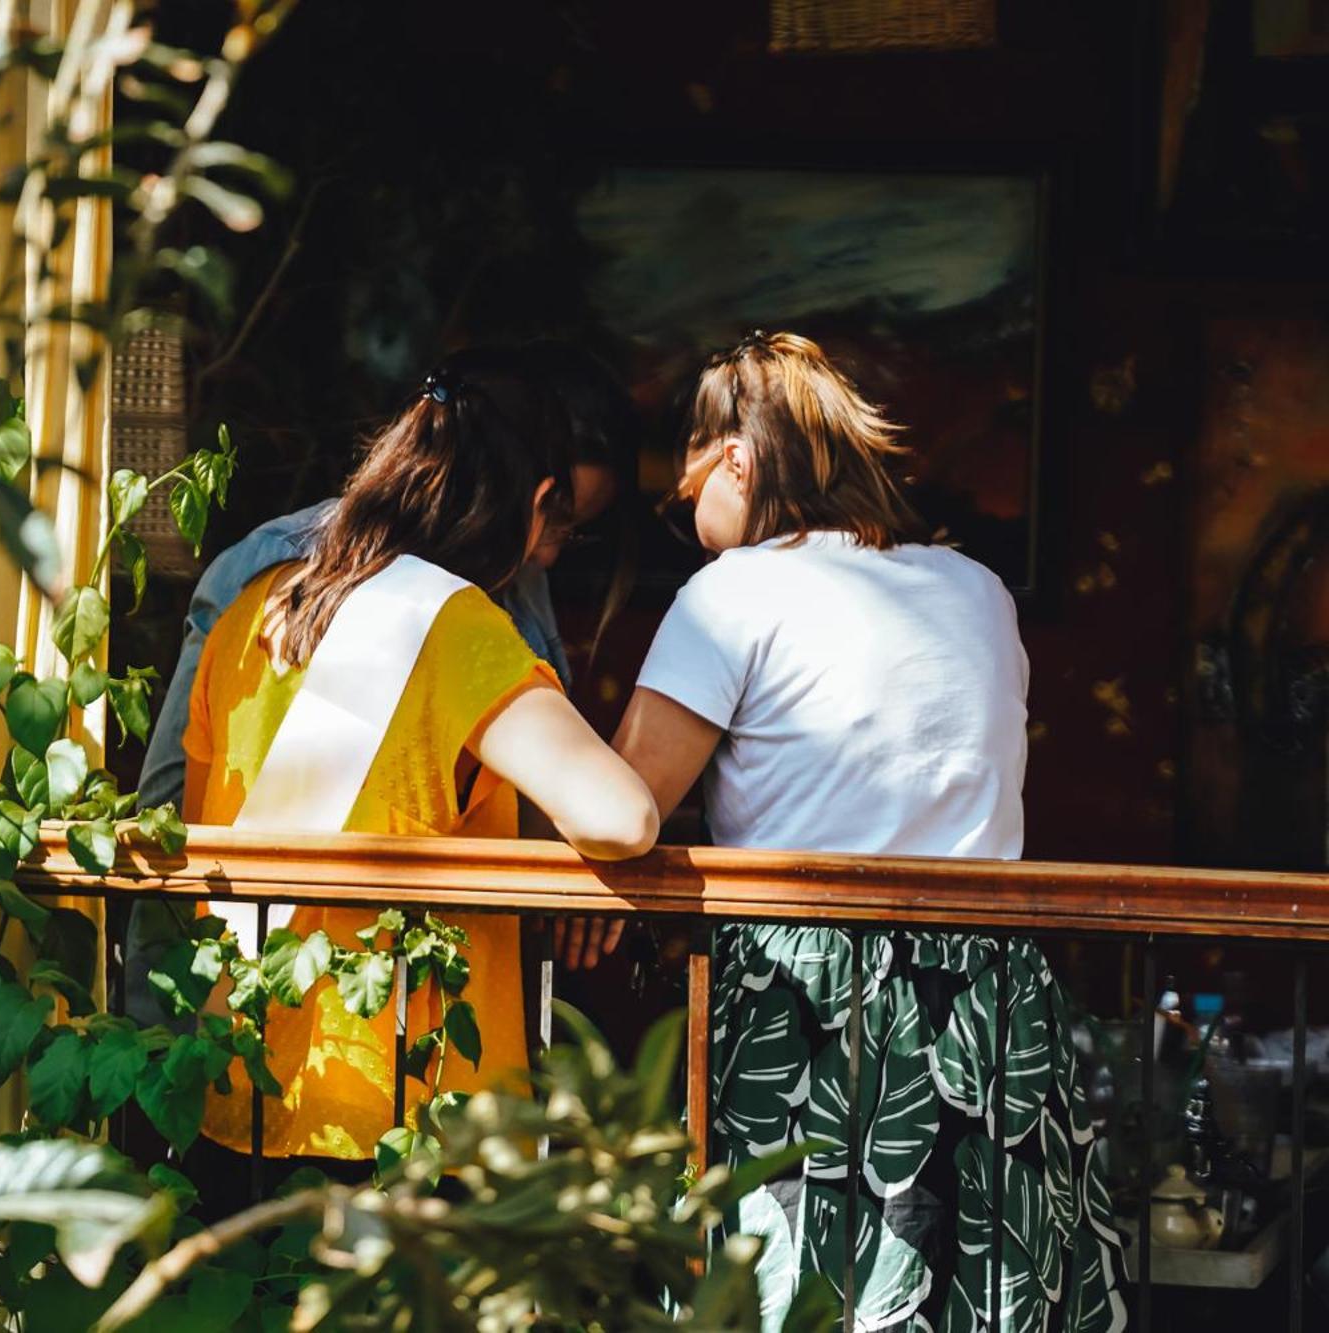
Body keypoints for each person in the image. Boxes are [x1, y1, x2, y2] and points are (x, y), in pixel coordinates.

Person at [613, 332, 1123, 1332]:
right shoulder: (974, 589)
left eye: (687, 462)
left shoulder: (733, 592)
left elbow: (624, 800)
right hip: (987, 991)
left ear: (737, 458)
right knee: (972, 1291)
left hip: (812, 995)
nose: (678, 494)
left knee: (793, 1287)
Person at [178, 345, 658, 1186]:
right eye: (557, 525)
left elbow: (198, 826)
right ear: (540, 499)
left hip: (236, 1083)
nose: (549, 551)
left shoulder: (253, 611)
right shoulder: (456, 628)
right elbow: (622, 818)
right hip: (407, 1109)